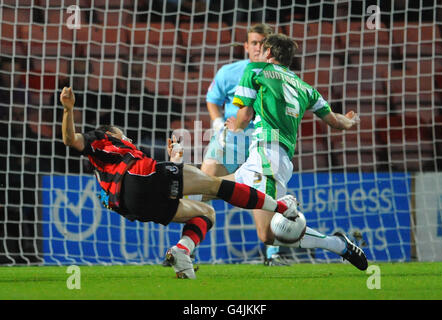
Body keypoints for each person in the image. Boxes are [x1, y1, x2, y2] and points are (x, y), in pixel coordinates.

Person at [59, 86, 299, 279]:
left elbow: (146, 185)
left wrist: (173, 162)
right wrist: (68, 110)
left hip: (131, 205)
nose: (127, 138)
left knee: (206, 213)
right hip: (140, 175)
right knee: (214, 185)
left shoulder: (103, 170)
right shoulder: (101, 139)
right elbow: (71, 139)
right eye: (122, 134)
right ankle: (281, 207)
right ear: (111, 134)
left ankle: (182, 251)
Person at [228, 33, 368, 271]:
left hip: (267, 153)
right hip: (271, 155)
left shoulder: (256, 70)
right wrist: (351, 121)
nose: (258, 53)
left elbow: (244, 115)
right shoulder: (305, 87)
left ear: (269, 53)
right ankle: (183, 247)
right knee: (212, 188)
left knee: (267, 234)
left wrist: (235, 127)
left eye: (262, 49)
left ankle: (337, 244)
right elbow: (336, 122)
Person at [200, 23, 288, 266]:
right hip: (230, 139)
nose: (258, 47)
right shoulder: (229, 72)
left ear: (270, 46)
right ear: (246, 46)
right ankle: (187, 248)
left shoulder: (280, 77)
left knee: (265, 226)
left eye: (263, 42)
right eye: (254, 42)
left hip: (262, 142)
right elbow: (212, 99)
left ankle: (273, 254)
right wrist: (218, 124)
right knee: (202, 187)